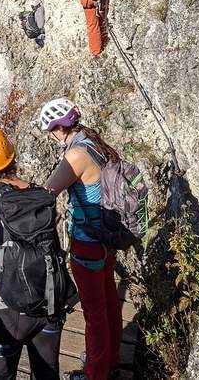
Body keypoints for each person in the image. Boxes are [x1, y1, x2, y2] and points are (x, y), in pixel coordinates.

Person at [0, 124, 63, 380]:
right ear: (12, 155)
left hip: (6, 307)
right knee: (47, 374)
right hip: (48, 301)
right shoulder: (37, 192)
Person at [38, 98, 123, 380]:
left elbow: (47, 193)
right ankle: (110, 359)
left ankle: (94, 374)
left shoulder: (75, 156)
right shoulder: (93, 141)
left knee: (93, 314)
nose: (52, 136)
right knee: (109, 301)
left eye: (52, 130)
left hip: (86, 240)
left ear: (60, 128)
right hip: (107, 236)